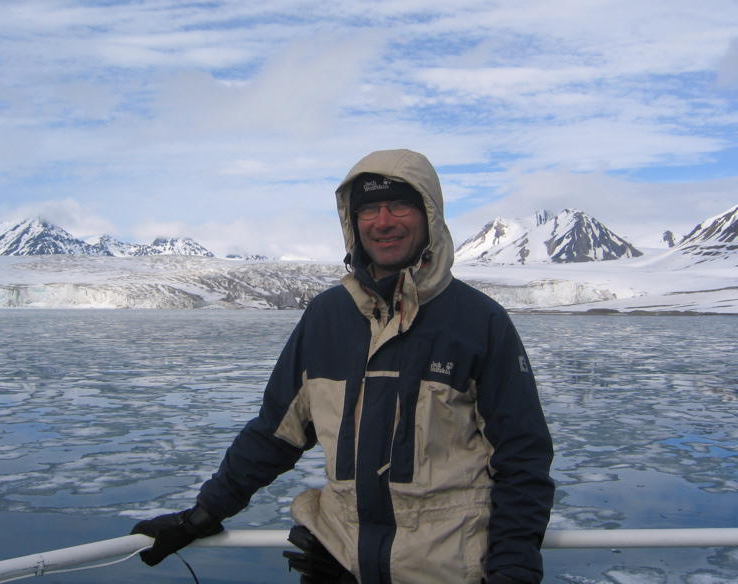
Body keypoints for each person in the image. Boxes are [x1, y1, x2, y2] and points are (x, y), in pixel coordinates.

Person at [132, 149, 555, 584]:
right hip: (337, 561)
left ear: (430, 215)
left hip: (446, 569)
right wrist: (201, 515)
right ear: (351, 223)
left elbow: (522, 459)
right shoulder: (327, 317)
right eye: (368, 209)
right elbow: (275, 434)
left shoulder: (478, 322)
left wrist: (514, 568)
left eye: (400, 206)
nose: (383, 221)